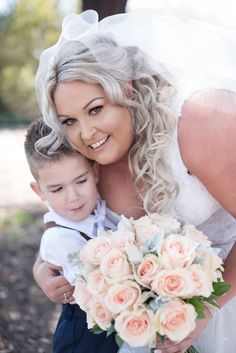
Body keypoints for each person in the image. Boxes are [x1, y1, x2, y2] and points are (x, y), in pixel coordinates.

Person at [33, 10, 236, 353]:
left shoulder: (201, 121)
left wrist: (208, 309)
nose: (85, 133)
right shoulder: (94, 152)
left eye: (95, 109)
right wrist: (43, 266)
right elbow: (73, 212)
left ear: (126, 87)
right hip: (146, 319)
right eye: (69, 120)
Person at [24, 118, 120, 353]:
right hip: (86, 333)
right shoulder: (59, 239)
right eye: (57, 189)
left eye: (81, 181)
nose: (73, 197)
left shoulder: (95, 207)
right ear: (40, 191)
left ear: (95, 172)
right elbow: (97, 290)